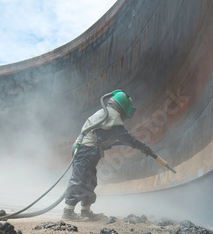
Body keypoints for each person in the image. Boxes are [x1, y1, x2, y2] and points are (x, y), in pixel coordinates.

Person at [62, 90, 154, 221]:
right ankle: (68, 212)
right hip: (85, 150)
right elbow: (126, 139)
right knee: (80, 180)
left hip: (89, 150)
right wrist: (142, 146)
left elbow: (116, 139)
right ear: (123, 108)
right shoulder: (113, 117)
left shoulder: (108, 114)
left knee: (90, 180)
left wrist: (140, 146)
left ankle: (85, 211)